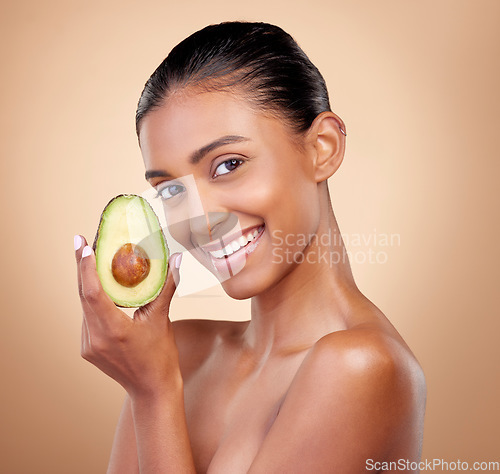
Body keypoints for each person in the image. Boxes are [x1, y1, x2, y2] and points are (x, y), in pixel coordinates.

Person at [74, 21, 426, 473]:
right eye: (170, 191)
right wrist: (156, 380)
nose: (199, 219)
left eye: (228, 165)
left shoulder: (364, 367)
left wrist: (154, 394)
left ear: (323, 147)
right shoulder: (182, 350)